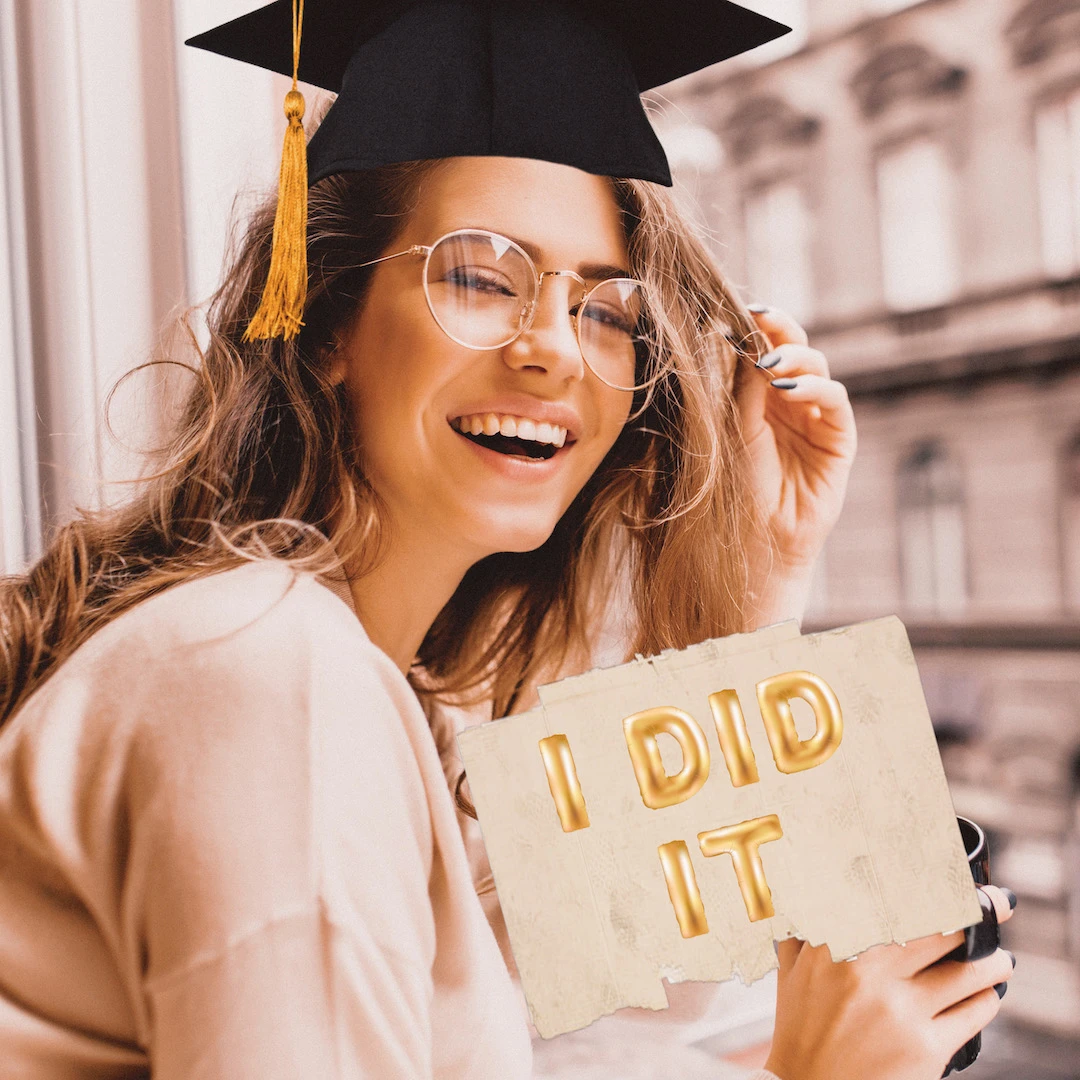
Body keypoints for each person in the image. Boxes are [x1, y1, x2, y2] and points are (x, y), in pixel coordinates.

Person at [0, 1, 1017, 1077]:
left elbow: (605, 998)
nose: (553, 349)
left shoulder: (379, 692)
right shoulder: (272, 679)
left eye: (608, 310)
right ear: (328, 322)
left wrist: (763, 570)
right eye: (482, 277)